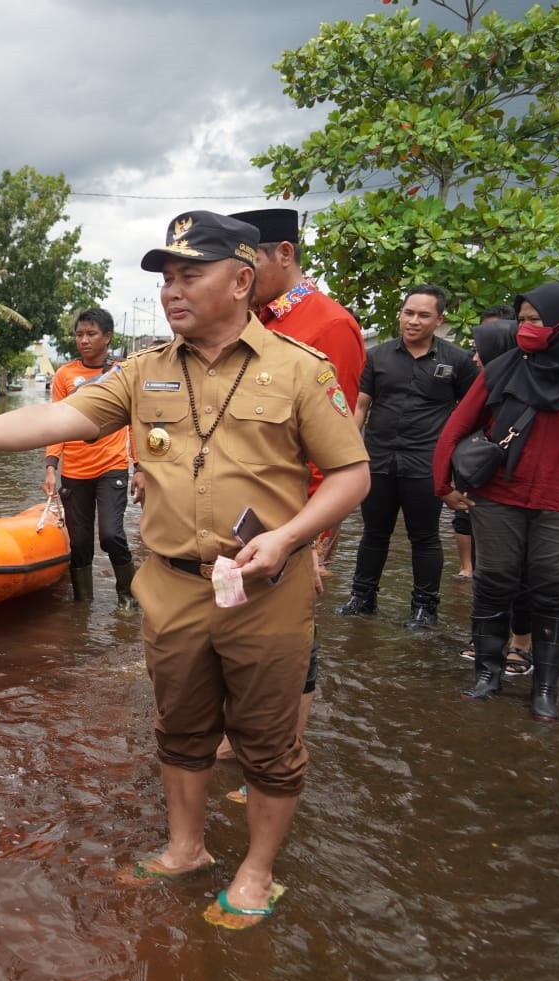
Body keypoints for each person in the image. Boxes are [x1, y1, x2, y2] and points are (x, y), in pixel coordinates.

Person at [0, 212, 369, 929]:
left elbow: (350, 475)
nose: (171, 292)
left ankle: (257, 868)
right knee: (179, 729)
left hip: (266, 586)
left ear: (242, 281)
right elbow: (59, 419)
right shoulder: (145, 370)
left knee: (269, 742)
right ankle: (186, 849)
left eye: (190, 275)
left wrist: (289, 538)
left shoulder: (298, 369)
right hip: (175, 585)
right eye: (165, 278)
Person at [217, 209, 365, 790]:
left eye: (247, 259)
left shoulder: (327, 325)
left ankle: (283, 747)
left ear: (283, 252)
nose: (240, 273)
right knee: (233, 615)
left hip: (290, 518)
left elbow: (337, 455)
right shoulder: (246, 319)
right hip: (234, 510)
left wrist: (312, 543)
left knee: (293, 635)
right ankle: (239, 733)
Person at [435, 282, 559, 720]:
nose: (527, 329)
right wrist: (443, 484)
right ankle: (487, 674)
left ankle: (545, 688)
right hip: (500, 496)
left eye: (537, 320)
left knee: (554, 591)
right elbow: (457, 426)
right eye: (524, 319)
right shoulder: (503, 369)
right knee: (494, 582)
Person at [340, 284, 477, 628]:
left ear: (439, 319)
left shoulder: (457, 361)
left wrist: (462, 467)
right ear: (400, 314)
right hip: (379, 458)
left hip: (426, 463)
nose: (413, 321)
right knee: (374, 532)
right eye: (408, 313)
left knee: (425, 536)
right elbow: (361, 405)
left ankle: (424, 608)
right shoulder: (379, 356)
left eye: (423, 315)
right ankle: (361, 597)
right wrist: (346, 452)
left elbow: (473, 413)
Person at [453, 317, 534, 674]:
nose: (474, 358)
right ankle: (487, 638)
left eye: (479, 351)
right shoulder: (484, 386)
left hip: (528, 496)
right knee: (492, 572)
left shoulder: (534, 389)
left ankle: (522, 644)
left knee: (526, 573)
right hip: (487, 493)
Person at [42, 307, 135, 608]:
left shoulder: (121, 373)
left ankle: (128, 598)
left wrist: (142, 466)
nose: (84, 340)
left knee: (110, 535)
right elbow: (54, 424)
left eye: (91, 334)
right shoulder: (65, 375)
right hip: (75, 472)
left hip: (112, 467)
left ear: (107, 337)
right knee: (80, 543)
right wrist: (50, 467)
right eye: (79, 334)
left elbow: (136, 423)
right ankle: (83, 607)